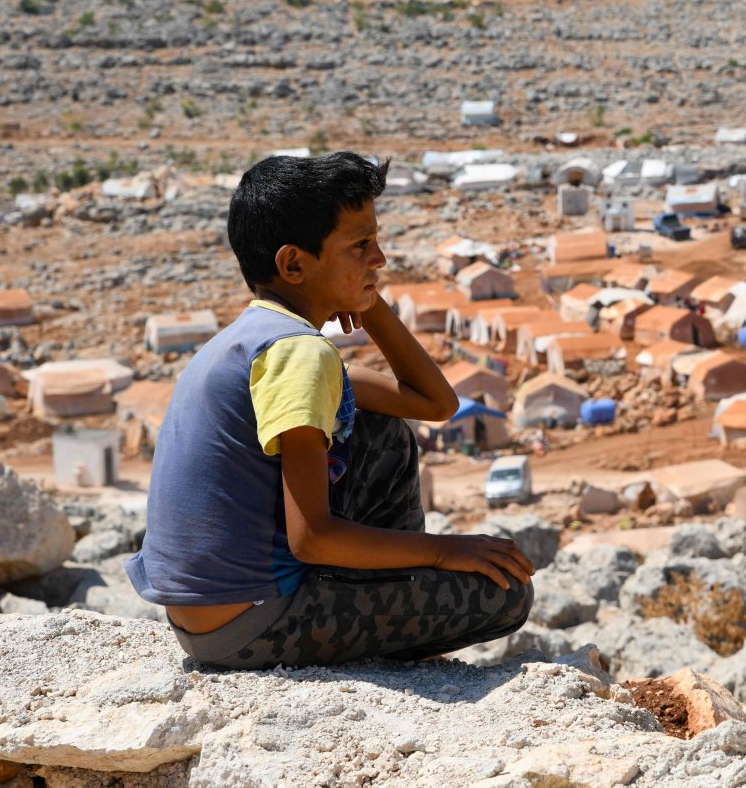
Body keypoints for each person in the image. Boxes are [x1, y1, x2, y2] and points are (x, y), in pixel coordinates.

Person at [127, 153, 534, 669]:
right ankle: (395, 585)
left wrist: (371, 304)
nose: (380, 259)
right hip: (253, 625)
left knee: (381, 428)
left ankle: (388, 580)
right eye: (361, 246)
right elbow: (312, 536)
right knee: (505, 594)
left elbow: (434, 403)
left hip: (208, 621)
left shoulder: (255, 339)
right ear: (294, 264)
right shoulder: (300, 354)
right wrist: (440, 552)